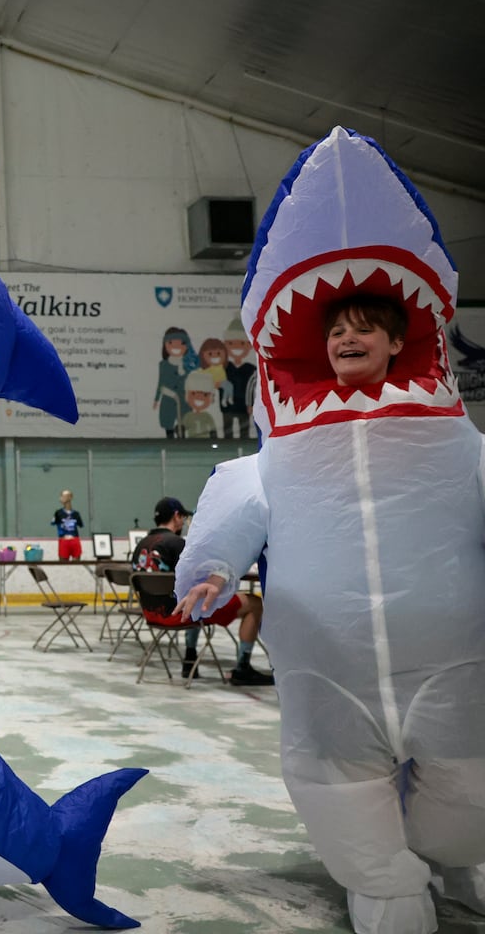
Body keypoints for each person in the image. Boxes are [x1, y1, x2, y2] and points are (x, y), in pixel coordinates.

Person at [174, 126, 485, 934]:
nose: (347, 336)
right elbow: (234, 508)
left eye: (365, 328)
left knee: (467, 809)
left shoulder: (458, 444)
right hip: (328, 683)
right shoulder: (281, 456)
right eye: (336, 327)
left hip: (455, 673)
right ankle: (385, 883)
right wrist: (207, 573)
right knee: (347, 803)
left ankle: (434, 852)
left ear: (396, 340)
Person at [132, 496, 271, 685]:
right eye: (183, 517)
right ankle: (243, 667)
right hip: (179, 614)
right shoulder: (177, 544)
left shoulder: (141, 545)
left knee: (194, 598)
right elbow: (203, 581)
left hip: (151, 613)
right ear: (176, 517)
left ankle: (190, 658)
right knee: (254, 604)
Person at [51, 489, 84, 560]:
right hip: (63, 541)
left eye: (63, 496)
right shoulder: (58, 513)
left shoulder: (76, 514)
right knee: (63, 565)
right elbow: (53, 523)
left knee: (77, 564)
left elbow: (80, 525)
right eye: (61, 496)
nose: (61, 498)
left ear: (70, 497)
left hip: (75, 540)